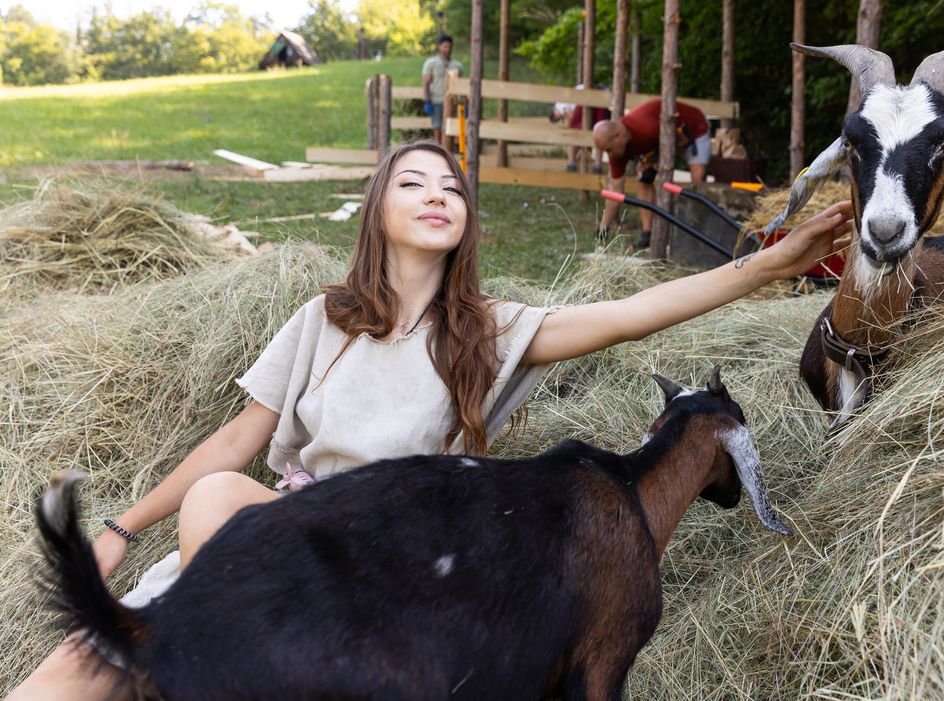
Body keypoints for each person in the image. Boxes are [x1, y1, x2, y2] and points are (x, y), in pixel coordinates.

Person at [7, 140, 853, 700]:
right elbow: (235, 441)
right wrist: (120, 524)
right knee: (69, 671)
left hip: (394, 579)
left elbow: (634, 311)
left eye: (453, 186)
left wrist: (763, 266)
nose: (438, 193)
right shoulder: (321, 318)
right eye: (412, 182)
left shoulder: (487, 333)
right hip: (272, 552)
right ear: (377, 208)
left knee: (213, 526)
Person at [593, 99, 711, 249]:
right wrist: (602, 230)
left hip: (692, 129)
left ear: (618, 136)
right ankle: (647, 234)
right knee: (643, 179)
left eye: (609, 149)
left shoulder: (647, 127)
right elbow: (615, 191)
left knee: (698, 177)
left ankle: (698, 230)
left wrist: (653, 164)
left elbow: (677, 141)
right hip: (662, 141)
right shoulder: (616, 150)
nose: (609, 154)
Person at [421, 34, 464, 142]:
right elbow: (426, 82)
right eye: (445, 46)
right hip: (437, 101)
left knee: (452, 129)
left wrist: (464, 102)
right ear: (439, 47)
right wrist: (427, 100)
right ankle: (438, 151)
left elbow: (462, 85)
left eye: (449, 46)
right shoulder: (431, 63)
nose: (448, 49)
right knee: (438, 128)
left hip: (453, 102)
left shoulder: (457, 65)